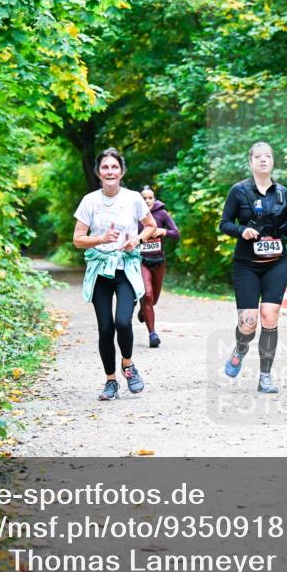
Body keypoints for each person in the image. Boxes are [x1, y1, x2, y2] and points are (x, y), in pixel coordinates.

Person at [73, 147, 158, 400]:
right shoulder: (90, 201)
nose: (110, 171)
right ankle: (110, 381)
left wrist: (136, 240)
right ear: (98, 173)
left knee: (123, 321)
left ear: (121, 172)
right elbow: (78, 239)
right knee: (105, 328)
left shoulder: (133, 198)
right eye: (105, 167)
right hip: (100, 270)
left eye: (114, 167)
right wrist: (101, 239)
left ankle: (128, 365)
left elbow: (151, 226)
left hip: (126, 268)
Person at [218, 141, 287, 393]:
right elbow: (224, 224)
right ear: (251, 162)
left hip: (277, 263)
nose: (263, 160)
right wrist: (242, 230)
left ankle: (265, 376)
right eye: (258, 157)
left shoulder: (283, 192)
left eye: (268, 156)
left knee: (269, 317)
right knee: (248, 323)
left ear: (273, 161)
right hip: (246, 265)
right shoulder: (239, 191)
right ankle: (240, 348)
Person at [137, 185, 181, 348]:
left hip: (159, 261)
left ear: (154, 199)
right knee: (148, 294)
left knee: (153, 300)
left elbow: (176, 233)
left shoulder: (162, 214)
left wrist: (163, 231)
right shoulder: (134, 214)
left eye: (150, 198)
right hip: (141, 260)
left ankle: (143, 309)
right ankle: (152, 334)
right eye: (144, 198)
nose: (147, 201)